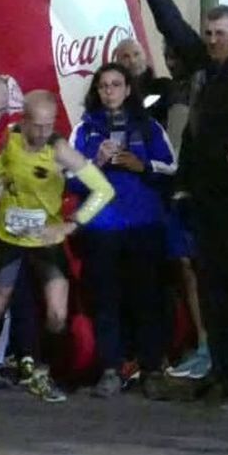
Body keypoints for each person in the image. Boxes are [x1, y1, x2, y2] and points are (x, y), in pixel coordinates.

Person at [132, 0, 228, 407]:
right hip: (204, 200)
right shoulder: (210, 68)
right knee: (211, 290)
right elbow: (176, 29)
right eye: (208, 33)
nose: (211, 40)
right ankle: (224, 369)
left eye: (221, 33)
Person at [0, 91, 115, 404]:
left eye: (49, 125)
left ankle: (42, 373)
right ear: (24, 120)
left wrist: (72, 223)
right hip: (9, 236)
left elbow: (103, 189)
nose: (42, 132)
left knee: (58, 314)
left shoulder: (59, 149)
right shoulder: (13, 138)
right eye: (36, 125)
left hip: (46, 239)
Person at [70, 64, 176, 398]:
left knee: (147, 298)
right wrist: (95, 164)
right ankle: (110, 368)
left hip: (144, 225)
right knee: (106, 299)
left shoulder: (149, 126)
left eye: (117, 84)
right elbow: (69, 179)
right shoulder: (84, 131)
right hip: (102, 227)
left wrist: (141, 166)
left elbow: (171, 167)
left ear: (129, 89)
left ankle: (151, 368)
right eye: (104, 86)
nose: (110, 91)